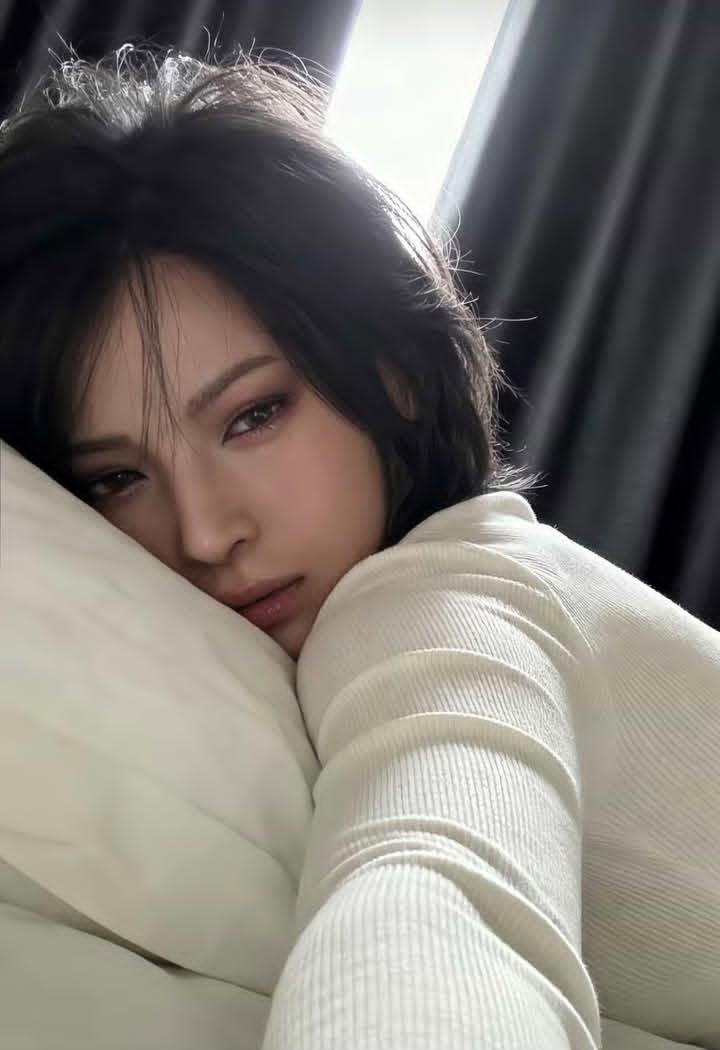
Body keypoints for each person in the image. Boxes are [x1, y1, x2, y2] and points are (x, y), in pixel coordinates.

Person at [0, 42, 718, 1050]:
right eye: (117, 478)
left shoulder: (442, 594)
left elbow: (441, 884)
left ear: (395, 376)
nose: (205, 533)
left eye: (253, 415)